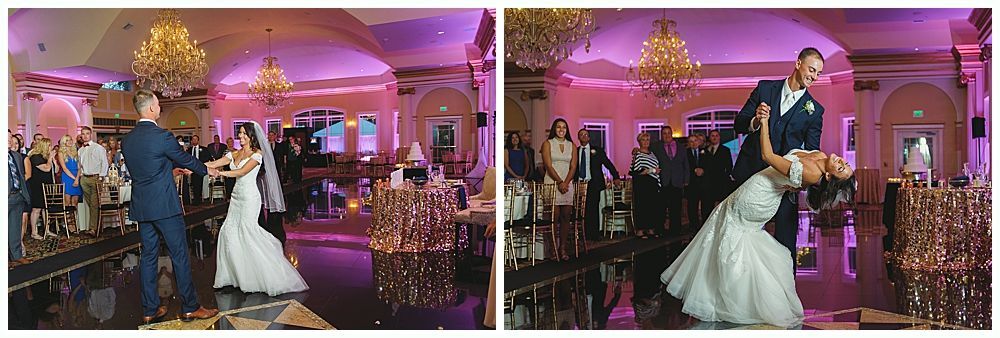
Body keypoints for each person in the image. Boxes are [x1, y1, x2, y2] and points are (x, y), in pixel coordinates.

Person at [660, 108, 855, 328]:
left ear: (829, 176)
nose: (842, 162)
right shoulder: (820, 155)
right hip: (755, 188)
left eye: (841, 168)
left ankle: (735, 299)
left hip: (758, 197)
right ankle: (731, 293)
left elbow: (768, 157)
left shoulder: (813, 173)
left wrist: (764, 123)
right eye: (845, 165)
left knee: (734, 236)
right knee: (732, 233)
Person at [121, 89, 219, 324]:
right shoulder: (162, 136)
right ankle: (190, 306)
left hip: (143, 206)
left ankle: (149, 309)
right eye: (158, 105)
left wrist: (170, 170)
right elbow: (185, 158)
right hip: (164, 206)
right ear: (152, 108)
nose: (160, 108)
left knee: (148, 257)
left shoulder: (128, 140)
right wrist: (208, 170)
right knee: (180, 255)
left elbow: (148, 169)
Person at [732, 47, 825, 267]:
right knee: (739, 233)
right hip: (750, 173)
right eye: (811, 69)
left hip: (784, 182)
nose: (814, 76)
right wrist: (756, 120)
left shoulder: (816, 110)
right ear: (798, 63)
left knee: (786, 241)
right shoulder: (765, 89)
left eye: (818, 73)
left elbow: (812, 152)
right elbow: (739, 123)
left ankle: (784, 292)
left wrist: (801, 181)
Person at [204, 121, 308, 296]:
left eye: (244, 133)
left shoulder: (257, 154)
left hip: (250, 198)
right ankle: (233, 276)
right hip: (236, 197)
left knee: (247, 232)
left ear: (252, 136)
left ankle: (260, 274)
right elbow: (214, 163)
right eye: (240, 133)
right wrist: (193, 168)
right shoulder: (234, 153)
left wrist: (220, 173)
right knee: (229, 232)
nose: (241, 136)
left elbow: (241, 172)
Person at [541, 118, 577, 261]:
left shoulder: (572, 145)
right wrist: (559, 182)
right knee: (553, 217)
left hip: (567, 183)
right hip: (552, 181)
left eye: (564, 127)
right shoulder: (547, 144)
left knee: (566, 216)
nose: (561, 130)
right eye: (558, 127)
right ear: (554, 129)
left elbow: (573, 166)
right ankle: (553, 248)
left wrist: (566, 182)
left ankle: (563, 248)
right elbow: (548, 166)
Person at [577, 129, 620, 241]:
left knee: (593, 208)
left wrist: (615, 176)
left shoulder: (597, 150)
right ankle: (584, 233)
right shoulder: (575, 151)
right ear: (579, 138)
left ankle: (594, 233)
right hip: (580, 183)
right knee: (582, 209)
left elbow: (608, 163)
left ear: (589, 137)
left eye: (586, 134)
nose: (584, 136)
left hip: (593, 182)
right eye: (581, 135)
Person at [649, 126, 688, 236]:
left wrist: (686, 180)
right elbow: (645, 151)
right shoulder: (656, 147)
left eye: (668, 133)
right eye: (664, 133)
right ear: (662, 135)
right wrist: (636, 150)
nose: (667, 135)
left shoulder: (681, 147)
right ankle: (660, 230)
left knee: (676, 208)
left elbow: (686, 164)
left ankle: (675, 230)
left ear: (672, 134)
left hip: (677, 181)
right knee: (661, 207)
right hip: (663, 181)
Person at [77, 126, 109, 237]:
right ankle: (98, 224)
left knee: (94, 204)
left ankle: (93, 229)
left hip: (96, 178)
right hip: (84, 179)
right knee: (91, 204)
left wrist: (101, 177)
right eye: (83, 134)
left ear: (91, 135)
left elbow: (104, 163)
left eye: (87, 133)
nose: (85, 136)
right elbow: (80, 165)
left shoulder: (98, 148)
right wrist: (81, 177)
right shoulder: (80, 150)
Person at [25, 138, 57, 240]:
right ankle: (34, 232)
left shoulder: (46, 157)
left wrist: (53, 160)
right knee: (36, 209)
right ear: (43, 146)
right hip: (37, 186)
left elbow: (55, 170)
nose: (50, 147)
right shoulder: (35, 157)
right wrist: (50, 158)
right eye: (48, 145)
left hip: (47, 186)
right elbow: (47, 168)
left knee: (45, 208)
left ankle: (46, 229)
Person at [629, 133, 660, 239]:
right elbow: (635, 171)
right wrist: (651, 170)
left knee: (652, 206)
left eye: (648, 139)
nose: (646, 141)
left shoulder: (652, 153)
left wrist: (655, 171)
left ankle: (650, 229)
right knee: (642, 206)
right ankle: (640, 230)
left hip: (652, 183)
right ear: (639, 141)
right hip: (642, 184)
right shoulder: (638, 154)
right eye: (643, 140)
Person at [9, 130, 32, 266]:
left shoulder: (16, 156)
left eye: (10, 138)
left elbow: (21, 176)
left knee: (15, 228)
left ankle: (16, 255)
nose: (9, 140)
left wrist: (23, 194)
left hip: (17, 196)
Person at [703, 130, 734, 209]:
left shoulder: (725, 150)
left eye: (716, 136)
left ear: (719, 137)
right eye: (712, 136)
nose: (714, 137)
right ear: (709, 137)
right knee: (707, 206)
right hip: (707, 184)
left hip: (720, 183)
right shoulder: (705, 150)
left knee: (721, 207)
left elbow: (729, 166)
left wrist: (725, 178)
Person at [57, 135, 82, 232]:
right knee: (67, 203)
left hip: (77, 176)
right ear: (64, 142)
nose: (70, 141)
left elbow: (80, 167)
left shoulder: (76, 151)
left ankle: (75, 223)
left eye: (71, 139)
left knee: (74, 203)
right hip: (67, 177)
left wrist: (77, 178)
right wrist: (74, 179)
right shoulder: (61, 152)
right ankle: (68, 225)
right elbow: (64, 168)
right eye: (67, 140)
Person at [685, 134, 709, 231]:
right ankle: (693, 226)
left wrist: (703, 171)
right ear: (688, 143)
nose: (693, 143)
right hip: (691, 183)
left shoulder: (705, 152)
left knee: (705, 206)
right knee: (692, 206)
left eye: (695, 140)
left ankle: (705, 226)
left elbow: (710, 165)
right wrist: (693, 170)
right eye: (691, 141)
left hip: (703, 184)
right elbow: (684, 166)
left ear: (698, 142)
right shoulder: (685, 153)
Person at [187, 135, 211, 205]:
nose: (194, 141)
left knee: (200, 184)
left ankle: (200, 198)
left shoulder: (204, 149)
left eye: (196, 139)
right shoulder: (189, 150)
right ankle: (195, 199)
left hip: (200, 168)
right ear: (191, 141)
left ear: (198, 140)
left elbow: (208, 157)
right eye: (193, 139)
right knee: (194, 184)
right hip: (192, 169)